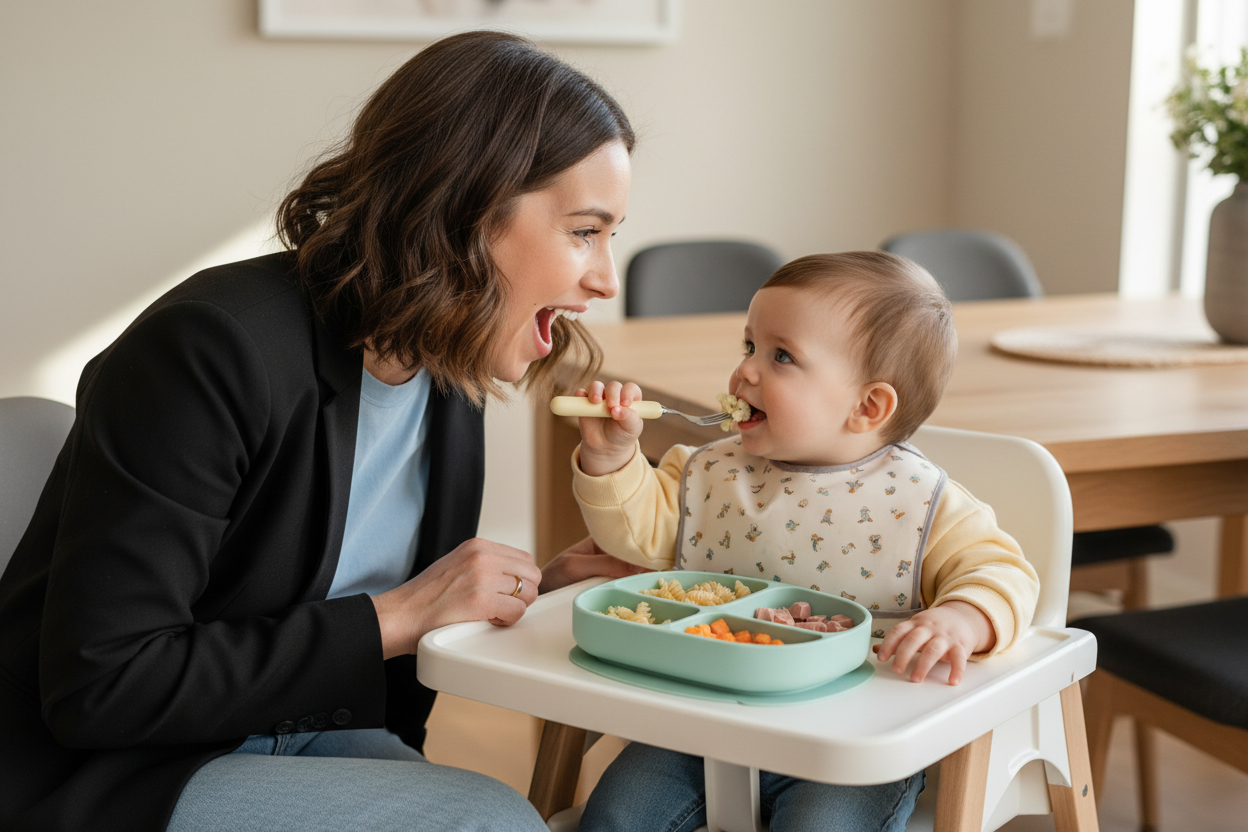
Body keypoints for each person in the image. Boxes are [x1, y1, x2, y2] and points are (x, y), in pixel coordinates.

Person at [0, 30, 647, 832]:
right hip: (117, 771)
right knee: (491, 821)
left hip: (295, 729)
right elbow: (103, 686)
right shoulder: (209, 350)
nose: (606, 278)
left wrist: (525, 596)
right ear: (466, 210)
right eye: (584, 231)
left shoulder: (448, 373)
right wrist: (401, 615)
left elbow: (328, 606)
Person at [566, 252, 1041, 832]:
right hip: (702, 717)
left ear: (867, 406)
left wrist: (963, 619)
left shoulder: (922, 504)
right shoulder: (710, 472)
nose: (745, 371)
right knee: (614, 818)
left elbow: (1004, 573)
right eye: (749, 346)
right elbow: (637, 533)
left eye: (781, 356)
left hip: (849, 740)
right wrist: (613, 458)